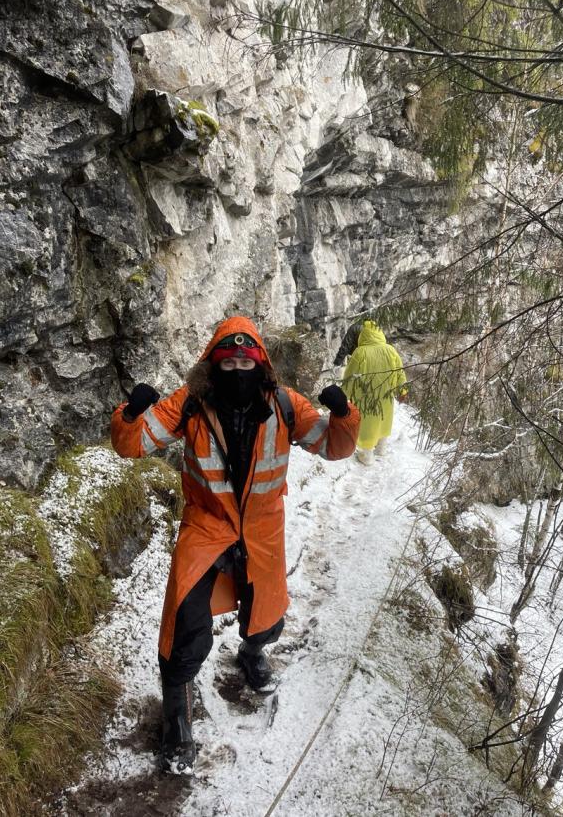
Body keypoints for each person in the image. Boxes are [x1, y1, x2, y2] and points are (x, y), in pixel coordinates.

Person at [110, 316, 360, 774]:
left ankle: (252, 652)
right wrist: (131, 415)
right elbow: (133, 445)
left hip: (262, 530)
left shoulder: (284, 404)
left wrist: (343, 415)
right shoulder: (190, 403)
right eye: (229, 362)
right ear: (213, 365)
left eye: (247, 360)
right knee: (184, 621)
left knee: (266, 614)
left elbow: (333, 447)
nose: (239, 368)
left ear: (260, 363)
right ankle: (178, 717)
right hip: (207, 526)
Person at [342, 320, 407, 466]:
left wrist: (343, 395)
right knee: (384, 420)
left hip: (366, 396)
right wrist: (402, 390)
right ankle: (381, 449)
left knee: (367, 424)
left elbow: (350, 376)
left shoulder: (360, 352)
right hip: (386, 395)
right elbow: (400, 373)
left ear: (363, 335)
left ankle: (366, 456)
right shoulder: (391, 350)